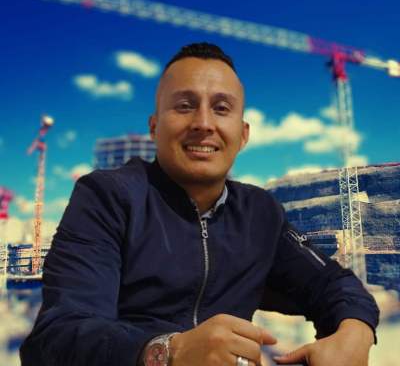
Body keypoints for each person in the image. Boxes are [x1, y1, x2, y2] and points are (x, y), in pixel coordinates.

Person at [20, 43, 379, 366]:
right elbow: (56, 338)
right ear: (154, 128)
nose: (204, 123)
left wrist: (355, 332)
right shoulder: (107, 196)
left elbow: (335, 284)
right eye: (184, 106)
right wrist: (167, 352)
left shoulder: (260, 213)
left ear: (243, 134)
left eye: (221, 108)